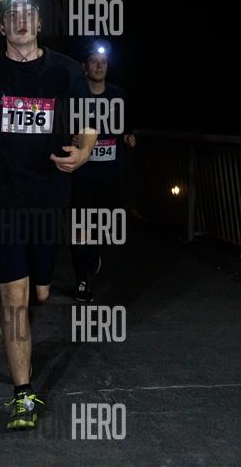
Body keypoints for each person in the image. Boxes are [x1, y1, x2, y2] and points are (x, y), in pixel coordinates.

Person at [0, 0, 96, 430]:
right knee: (14, 298)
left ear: (39, 23)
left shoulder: (66, 71)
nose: (21, 20)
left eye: (28, 13)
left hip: (48, 196)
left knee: (40, 294)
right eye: (12, 15)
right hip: (0, 197)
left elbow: (88, 124)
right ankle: (23, 395)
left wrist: (83, 153)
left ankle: (19, 327)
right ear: (1, 27)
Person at [71, 41, 136, 302]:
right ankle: (81, 281)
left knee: (99, 225)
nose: (99, 66)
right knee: (80, 227)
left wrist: (129, 136)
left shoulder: (118, 94)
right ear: (84, 67)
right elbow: (62, 125)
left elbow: (127, 126)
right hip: (82, 174)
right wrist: (69, 137)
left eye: (103, 62)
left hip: (110, 175)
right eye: (94, 61)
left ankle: (93, 250)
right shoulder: (75, 96)